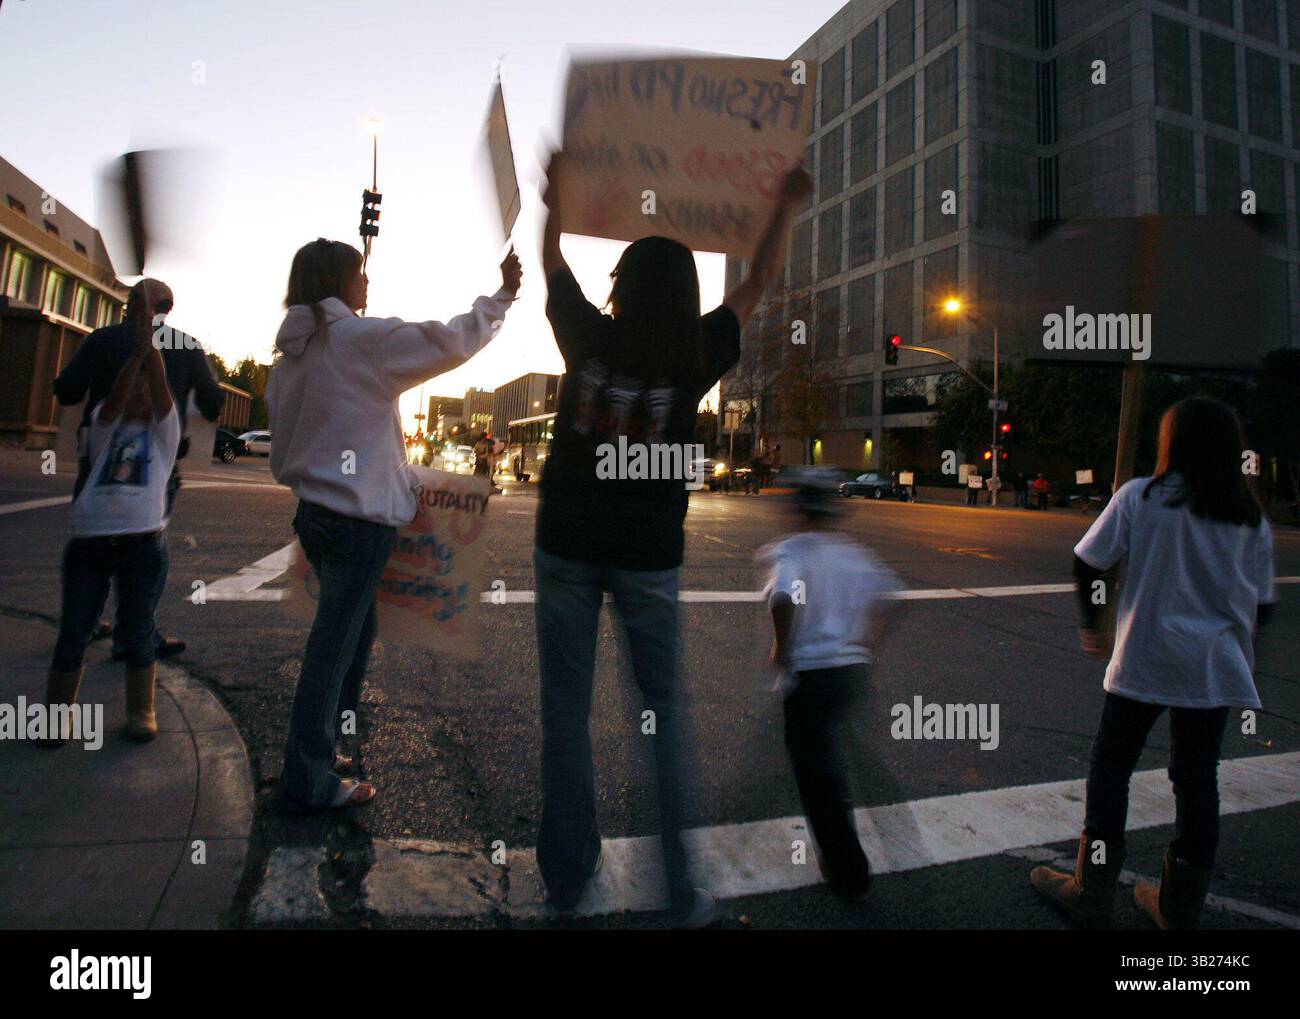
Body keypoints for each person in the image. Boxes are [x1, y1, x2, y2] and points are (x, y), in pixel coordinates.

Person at [534, 151, 812, 926]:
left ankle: (564, 870)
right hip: (649, 557)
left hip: (564, 543)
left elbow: (550, 256)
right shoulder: (698, 351)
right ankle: (684, 887)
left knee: (564, 707)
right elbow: (756, 285)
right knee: (662, 716)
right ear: (687, 293)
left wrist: (555, 195)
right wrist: (784, 206)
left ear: (618, 288)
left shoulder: (587, 335)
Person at [267, 238, 520, 810]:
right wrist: (502, 295)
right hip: (359, 524)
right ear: (336, 281)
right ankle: (308, 776)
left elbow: (281, 454)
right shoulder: (361, 340)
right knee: (335, 645)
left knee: (353, 633)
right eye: (359, 272)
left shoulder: (290, 358)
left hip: (316, 516)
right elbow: (451, 341)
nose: (367, 283)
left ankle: (322, 750)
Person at [1029, 397, 1276, 930]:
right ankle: (1178, 907)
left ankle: (1090, 891)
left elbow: (1089, 559)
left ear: (1172, 443)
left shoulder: (1141, 497)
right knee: (1196, 778)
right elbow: (1262, 604)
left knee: (1112, 767)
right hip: (1214, 669)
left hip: (1146, 658)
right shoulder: (1249, 517)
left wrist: (1093, 624)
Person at [54, 278, 225, 660]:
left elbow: (67, 388)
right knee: (148, 553)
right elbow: (213, 398)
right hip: (158, 463)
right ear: (169, 308)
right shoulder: (186, 345)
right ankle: (137, 634)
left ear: (131, 304)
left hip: (99, 460)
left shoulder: (101, 340)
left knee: (91, 543)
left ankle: (81, 624)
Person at [43, 287, 180, 743]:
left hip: (143, 542)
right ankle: (56, 716)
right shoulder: (103, 424)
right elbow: (118, 398)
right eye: (134, 387)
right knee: (74, 633)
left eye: (145, 388)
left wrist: (150, 355)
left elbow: (160, 393)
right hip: (90, 543)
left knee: (139, 631)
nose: (141, 393)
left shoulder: (163, 432)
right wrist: (135, 358)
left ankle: (142, 710)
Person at [759, 468, 901, 901]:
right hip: (849, 672)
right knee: (832, 758)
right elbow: (893, 597)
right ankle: (852, 850)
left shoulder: (792, 550)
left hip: (812, 674)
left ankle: (848, 871)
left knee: (817, 776)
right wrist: (866, 641)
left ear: (799, 509)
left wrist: (781, 648)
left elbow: (784, 597)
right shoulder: (853, 552)